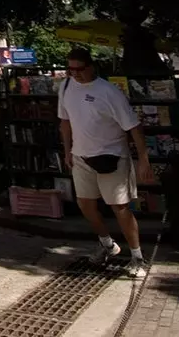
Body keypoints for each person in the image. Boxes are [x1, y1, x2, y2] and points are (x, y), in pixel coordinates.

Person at [58, 46, 152, 276]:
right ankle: (107, 244)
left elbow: (134, 127)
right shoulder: (66, 86)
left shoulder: (109, 92)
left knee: (120, 207)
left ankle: (137, 257)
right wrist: (67, 149)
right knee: (85, 204)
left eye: (79, 69)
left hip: (111, 156)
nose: (75, 74)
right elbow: (65, 121)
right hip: (81, 155)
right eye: (70, 69)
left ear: (91, 67)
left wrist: (144, 160)